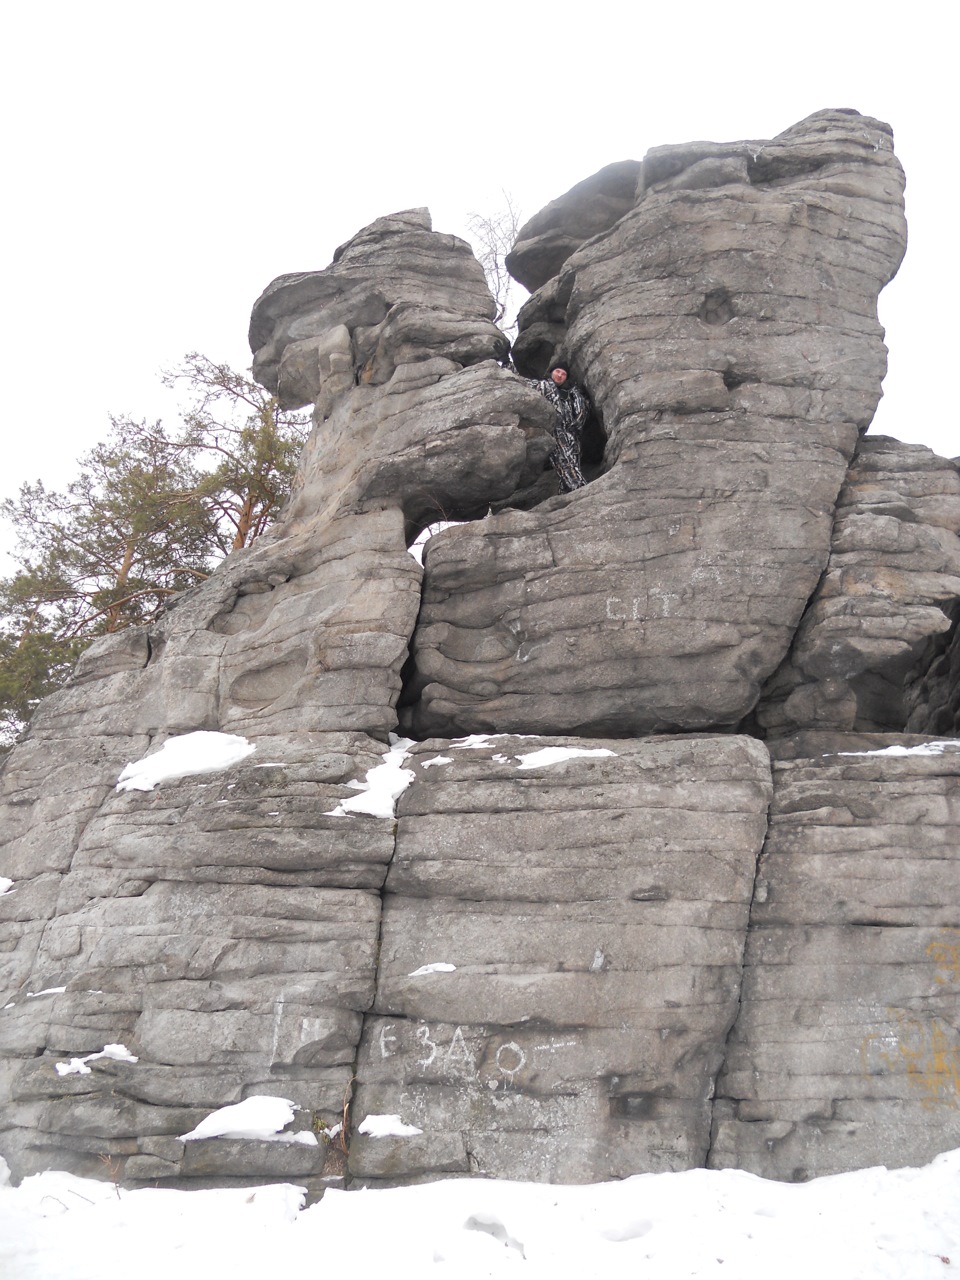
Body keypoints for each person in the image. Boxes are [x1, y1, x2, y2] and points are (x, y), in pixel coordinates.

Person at [532, 362, 589, 493]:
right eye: (558, 371)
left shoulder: (572, 393)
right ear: (551, 372)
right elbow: (519, 382)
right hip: (555, 432)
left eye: (564, 374)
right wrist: (506, 362)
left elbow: (583, 411)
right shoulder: (542, 386)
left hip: (572, 434)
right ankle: (581, 491)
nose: (560, 375)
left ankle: (566, 493)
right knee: (565, 464)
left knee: (573, 465)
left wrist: (576, 394)